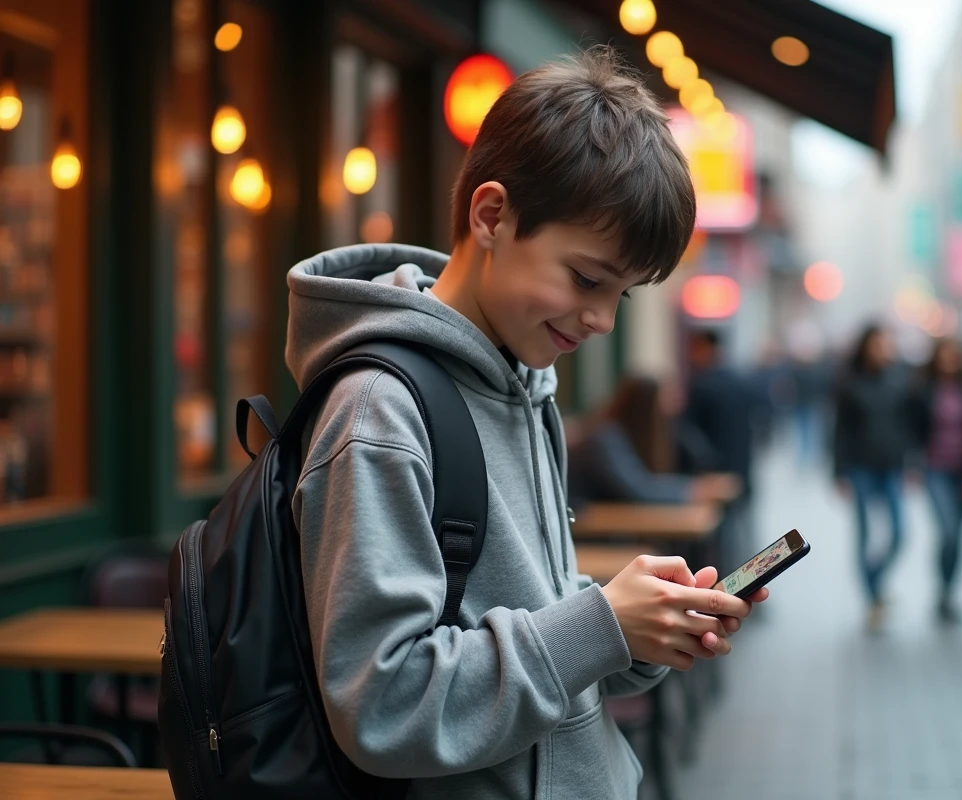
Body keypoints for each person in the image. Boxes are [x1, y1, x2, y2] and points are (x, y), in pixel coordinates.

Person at [283, 48, 767, 799]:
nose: (602, 319)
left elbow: (519, 614)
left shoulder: (522, 378)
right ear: (491, 216)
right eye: (586, 279)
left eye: (624, 295)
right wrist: (601, 625)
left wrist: (641, 629)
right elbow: (383, 705)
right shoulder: (380, 407)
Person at [833, 324, 912, 633]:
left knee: (899, 534)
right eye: (877, 345)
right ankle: (873, 597)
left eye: (886, 344)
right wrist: (838, 471)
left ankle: (875, 581)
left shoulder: (898, 381)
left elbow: (908, 425)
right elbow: (840, 430)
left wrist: (910, 462)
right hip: (860, 468)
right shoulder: (851, 384)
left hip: (891, 467)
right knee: (864, 536)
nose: (883, 350)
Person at [568, 374, 738, 508]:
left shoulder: (621, 434)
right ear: (645, 405)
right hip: (588, 533)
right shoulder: (605, 438)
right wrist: (695, 489)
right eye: (666, 399)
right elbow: (639, 489)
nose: (674, 407)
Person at [909, 338, 962, 625]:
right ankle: (943, 588)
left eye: (955, 355)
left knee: (960, 537)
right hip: (935, 470)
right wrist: (912, 465)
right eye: (945, 355)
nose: (950, 360)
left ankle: (948, 593)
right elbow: (913, 429)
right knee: (948, 532)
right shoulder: (924, 390)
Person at [683, 329, 758, 496]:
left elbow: (690, 431)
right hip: (741, 465)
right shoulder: (740, 381)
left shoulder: (703, 386)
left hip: (713, 471)